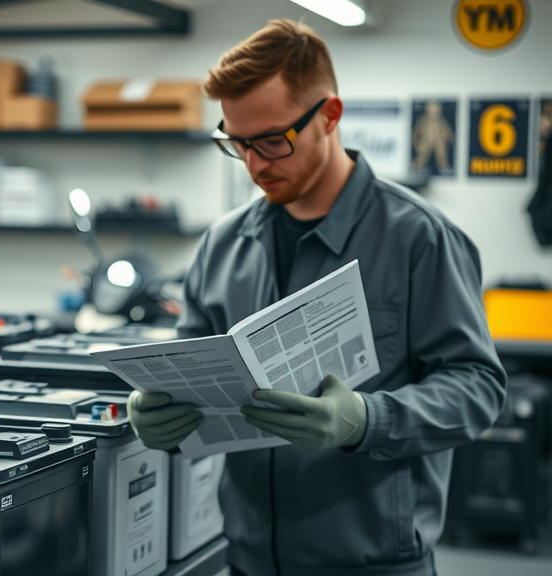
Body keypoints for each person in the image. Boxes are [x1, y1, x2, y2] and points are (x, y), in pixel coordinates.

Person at [126, 19, 506, 576]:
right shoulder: (223, 245)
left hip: (374, 564)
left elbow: (477, 389)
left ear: (329, 116)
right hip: (248, 561)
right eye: (237, 144)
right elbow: (189, 373)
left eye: (273, 141)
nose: (255, 164)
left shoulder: (418, 238)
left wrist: (366, 420)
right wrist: (158, 414)